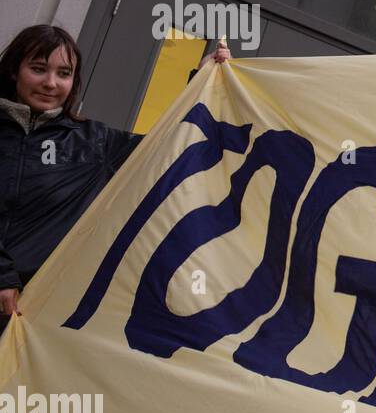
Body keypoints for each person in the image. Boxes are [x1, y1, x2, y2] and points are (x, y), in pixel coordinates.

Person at [0, 25, 229, 324]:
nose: (50, 83)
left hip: (34, 315)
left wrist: (201, 82)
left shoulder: (95, 143)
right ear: (15, 71)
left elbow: (171, 145)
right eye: (38, 69)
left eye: (64, 73)